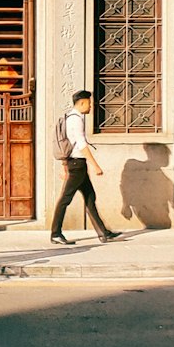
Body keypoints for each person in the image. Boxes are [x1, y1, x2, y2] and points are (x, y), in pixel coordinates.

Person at [49, 90, 120, 245]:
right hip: (77, 165)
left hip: (74, 164)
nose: (91, 106)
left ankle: (103, 233)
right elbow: (81, 144)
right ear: (81, 102)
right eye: (89, 103)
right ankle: (55, 233)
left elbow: (67, 144)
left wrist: (64, 166)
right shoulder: (76, 120)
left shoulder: (69, 117)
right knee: (65, 199)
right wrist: (96, 166)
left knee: (90, 197)